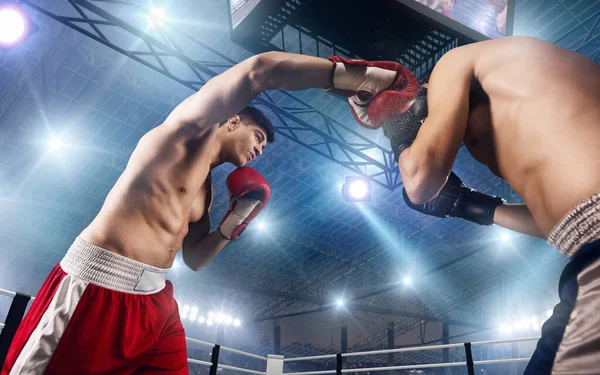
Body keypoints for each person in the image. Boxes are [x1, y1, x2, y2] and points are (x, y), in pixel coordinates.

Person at [1, 52, 418, 374]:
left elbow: (195, 260)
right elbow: (260, 71)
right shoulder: (181, 134)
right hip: (99, 285)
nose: (259, 150)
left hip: (157, 301)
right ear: (231, 121)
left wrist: (232, 223)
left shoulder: (206, 189)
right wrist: (357, 78)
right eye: (257, 137)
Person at [359, 36, 599, 374]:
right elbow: (569, 222)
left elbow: (419, 182)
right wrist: (471, 205)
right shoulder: (562, 81)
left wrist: (397, 127)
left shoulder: (453, 63)